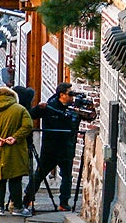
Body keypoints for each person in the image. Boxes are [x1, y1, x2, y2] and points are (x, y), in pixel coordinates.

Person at [26, 83, 87, 212]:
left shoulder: (74, 109)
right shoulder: (50, 106)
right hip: (51, 148)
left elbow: (90, 117)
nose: (72, 97)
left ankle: (64, 203)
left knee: (67, 177)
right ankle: (27, 199)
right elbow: (31, 114)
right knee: (40, 175)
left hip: (67, 147)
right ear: (62, 95)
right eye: (70, 94)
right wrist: (38, 108)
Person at [0, 87, 34, 216]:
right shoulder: (20, 110)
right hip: (15, 150)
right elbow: (28, 126)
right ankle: (17, 207)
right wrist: (15, 137)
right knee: (15, 178)